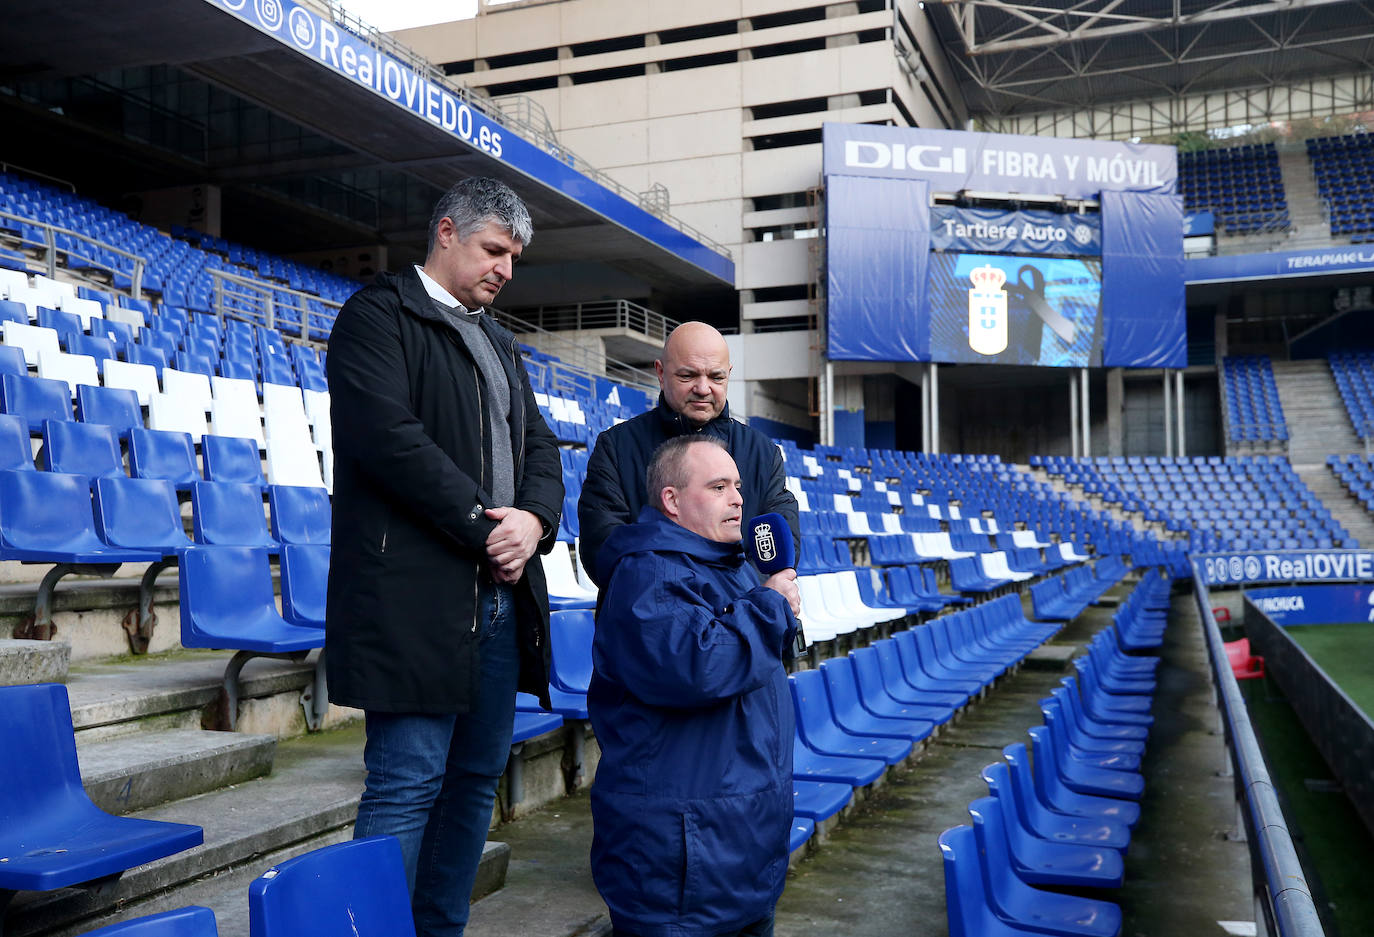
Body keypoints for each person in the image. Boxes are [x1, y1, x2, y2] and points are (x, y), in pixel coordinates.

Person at [325, 177, 564, 937]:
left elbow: (544, 450)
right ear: (448, 232)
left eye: (515, 257)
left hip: (498, 604)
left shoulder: (500, 340)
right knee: (404, 787)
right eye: (495, 250)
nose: (505, 269)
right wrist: (483, 525)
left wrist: (533, 520)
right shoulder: (377, 316)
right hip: (414, 600)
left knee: (469, 788)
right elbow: (387, 438)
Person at [588, 435, 801, 937]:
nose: (738, 499)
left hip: (737, 854)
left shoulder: (735, 566)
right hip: (682, 869)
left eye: (738, 486)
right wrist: (771, 608)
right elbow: (696, 667)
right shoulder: (648, 574)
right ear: (672, 501)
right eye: (718, 486)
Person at [577, 321, 800, 586]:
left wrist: (735, 604)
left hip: (746, 618)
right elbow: (602, 550)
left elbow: (779, 548)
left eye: (716, 377)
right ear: (660, 372)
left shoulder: (763, 452)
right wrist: (690, 597)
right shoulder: (616, 448)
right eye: (688, 376)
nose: (703, 388)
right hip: (654, 621)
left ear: (729, 374)